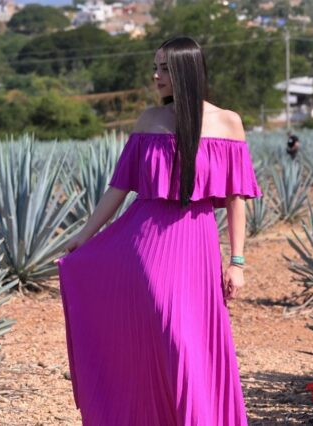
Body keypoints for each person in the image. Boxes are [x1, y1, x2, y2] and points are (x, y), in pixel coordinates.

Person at [55, 36, 262, 425]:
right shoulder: (149, 120)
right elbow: (119, 188)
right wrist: (85, 236)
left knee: (189, 341)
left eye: (165, 68)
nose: (156, 75)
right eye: (155, 67)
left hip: (198, 247)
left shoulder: (228, 123)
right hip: (146, 246)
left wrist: (237, 262)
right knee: (171, 335)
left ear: (187, 69)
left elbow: (237, 199)